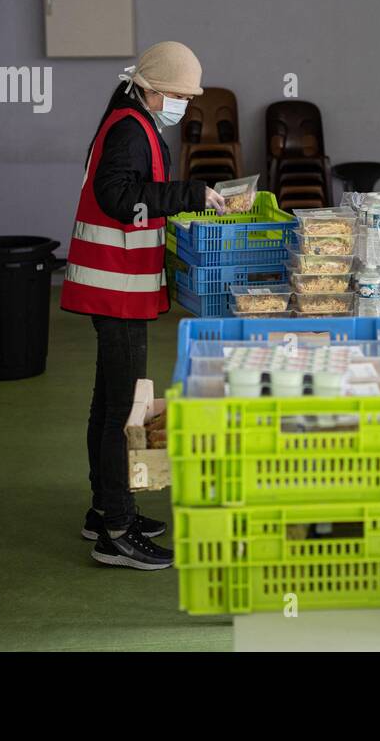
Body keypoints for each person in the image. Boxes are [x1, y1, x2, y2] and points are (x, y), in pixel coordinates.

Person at [60, 41, 229, 570]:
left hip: (115, 282)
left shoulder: (132, 120)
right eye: (179, 94)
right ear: (153, 89)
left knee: (106, 402)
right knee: (123, 410)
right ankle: (117, 529)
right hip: (115, 286)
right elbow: (118, 196)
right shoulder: (132, 129)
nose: (184, 103)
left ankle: (103, 508)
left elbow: (131, 193)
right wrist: (190, 195)